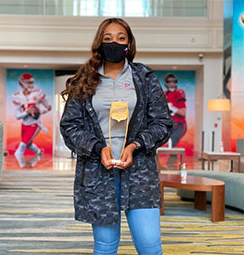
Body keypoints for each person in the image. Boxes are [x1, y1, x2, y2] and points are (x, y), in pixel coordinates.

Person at [60, 18, 172, 255]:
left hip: (140, 172)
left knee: (150, 246)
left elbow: (162, 123)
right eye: (107, 38)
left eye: (120, 38)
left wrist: (135, 145)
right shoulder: (85, 79)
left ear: (129, 44)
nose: (114, 43)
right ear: (99, 43)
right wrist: (96, 147)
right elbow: (70, 126)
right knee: (105, 247)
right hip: (98, 173)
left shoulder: (144, 78)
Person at [12, 73, 52, 164]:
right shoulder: (17, 96)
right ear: (22, 83)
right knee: (27, 144)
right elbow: (17, 116)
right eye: (28, 83)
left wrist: (39, 111)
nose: (31, 85)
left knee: (20, 148)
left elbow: (48, 107)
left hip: (35, 123)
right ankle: (39, 152)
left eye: (31, 82)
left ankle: (19, 168)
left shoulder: (38, 93)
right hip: (24, 123)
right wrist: (27, 112)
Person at [164, 73, 187, 148]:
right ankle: (172, 158)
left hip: (178, 123)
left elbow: (183, 112)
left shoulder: (179, 93)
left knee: (170, 146)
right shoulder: (164, 94)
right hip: (167, 123)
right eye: (169, 81)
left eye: (173, 81)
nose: (171, 83)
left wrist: (172, 108)